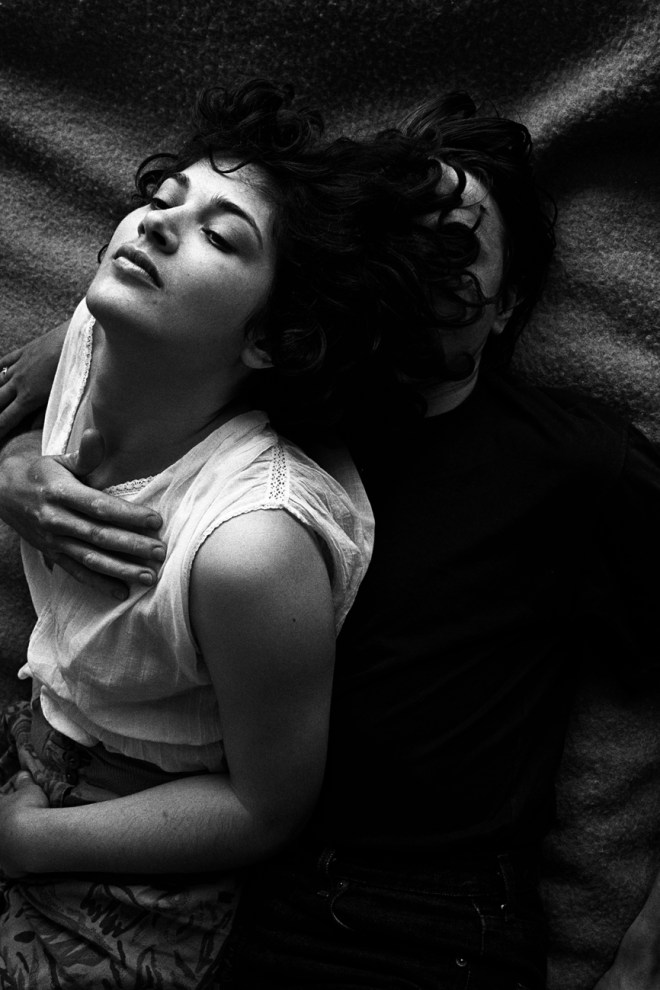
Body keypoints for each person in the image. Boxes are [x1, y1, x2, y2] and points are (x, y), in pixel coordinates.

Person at [2, 92, 660, 988]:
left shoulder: (571, 464)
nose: (412, 263)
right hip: (209, 885)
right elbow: (125, 354)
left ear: (507, 306)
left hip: (407, 924)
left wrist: (646, 948)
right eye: (391, 234)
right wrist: (19, 470)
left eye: (453, 245)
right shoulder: (258, 384)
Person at [0, 78, 388, 988]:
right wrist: (11, 470)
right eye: (163, 198)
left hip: (135, 858)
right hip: (29, 747)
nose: (158, 225)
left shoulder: (251, 547)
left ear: (269, 341)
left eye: (221, 236)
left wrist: (29, 843)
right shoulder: (94, 332)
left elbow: (266, 806)